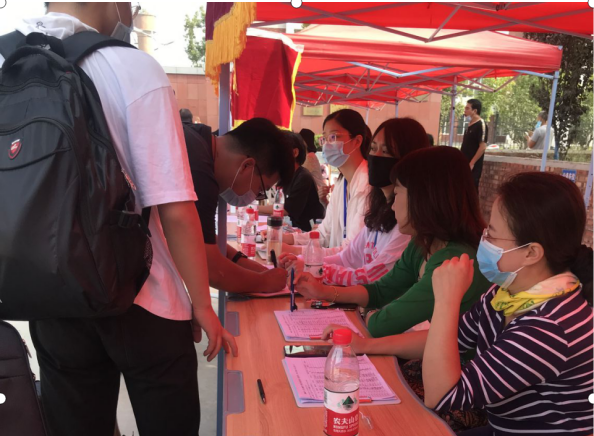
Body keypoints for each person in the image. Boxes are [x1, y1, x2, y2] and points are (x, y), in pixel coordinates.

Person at [4, 4, 237, 436]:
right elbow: (174, 207)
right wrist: (202, 305)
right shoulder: (133, 68)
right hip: (143, 296)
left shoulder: (8, 61)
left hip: (50, 293)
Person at [326, 172, 594, 436]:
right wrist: (364, 346)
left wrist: (447, 300)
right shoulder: (506, 295)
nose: (484, 241)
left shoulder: (548, 327)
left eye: (493, 235)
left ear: (531, 252)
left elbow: (442, 395)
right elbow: (447, 338)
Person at [295, 146, 491, 337]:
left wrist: (367, 313)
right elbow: (380, 291)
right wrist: (324, 292)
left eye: (396, 195)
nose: (392, 205)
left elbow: (382, 324)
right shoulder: (422, 244)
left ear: (423, 198)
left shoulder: (452, 259)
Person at [280, 118, 430, 286]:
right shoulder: (373, 205)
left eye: (386, 151)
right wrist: (304, 261)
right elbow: (348, 256)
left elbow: (373, 279)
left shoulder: (406, 224)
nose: (375, 157)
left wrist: (313, 268)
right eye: (373, 148)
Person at [180, 113, 294, 294]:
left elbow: (199, 237)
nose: (255, 197)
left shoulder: (198, 140)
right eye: (260, 189)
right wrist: (263, 282)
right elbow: (212, 270)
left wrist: (246, 264)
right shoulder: (200, 174)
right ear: (247, 166)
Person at [282, 109, 372, 256]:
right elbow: (323, 234)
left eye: (333, 137)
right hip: (338, 265)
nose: (327, 145)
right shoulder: (342, 183)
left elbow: (351, 252)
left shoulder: (367, 184)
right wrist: (288, 239)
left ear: (357, 141)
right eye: (324, 138)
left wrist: (294, 249)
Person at [258, 132, 325, 231]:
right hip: (292, 228)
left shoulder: (303, 177)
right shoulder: (287, 176)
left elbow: (286, 209)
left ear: (295, 153)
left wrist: (254, 208)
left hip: (307, 232)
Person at [460, 99, 488, 191]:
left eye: (467, 108)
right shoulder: (469, 125)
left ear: (475, 111)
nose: (465, 110)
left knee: (471, 189)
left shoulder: (481, 124)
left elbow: (482, 146)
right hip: (464, 163)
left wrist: (472, 163)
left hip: (473, 166)